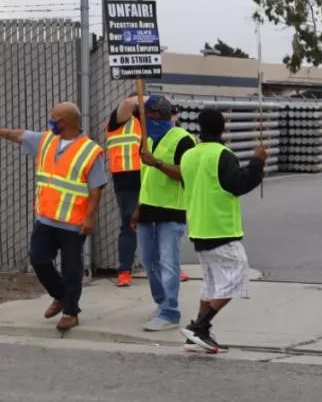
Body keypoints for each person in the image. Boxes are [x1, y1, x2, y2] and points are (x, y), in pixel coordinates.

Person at [0, 102, 107, 331]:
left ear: (65, 122)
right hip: (46, 219)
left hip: (72, 223)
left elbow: (96, 189)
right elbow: (18, 135)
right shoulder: (47, 140)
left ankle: (70, 312)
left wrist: (90, 218)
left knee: (71, 269)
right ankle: (60, 296)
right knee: (39, 260)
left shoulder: (90, 151)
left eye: (54, 118)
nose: (50, 121)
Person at [179, 109, 265, 354]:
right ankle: (200, 327)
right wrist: (257, 162)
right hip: (220, 227)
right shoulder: (223, 154)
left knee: (211, 282)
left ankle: (196, 336)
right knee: (237, 275)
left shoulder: (188, 156)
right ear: (223, 127)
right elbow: (238, 184)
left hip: (198, 226)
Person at [132, 96, 196, 332]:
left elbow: (185, 174)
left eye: (145, 117)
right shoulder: (146, 140)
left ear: (157, 116)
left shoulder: (183, 140)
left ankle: (170, 311)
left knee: (169, 262)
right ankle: (162, 303)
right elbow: (145, 178)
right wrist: (138, 208)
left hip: (171, 210)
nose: (144, 121)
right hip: (148, 208)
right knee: (149, 262)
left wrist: (157, 162)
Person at [104, 94, 143, 287]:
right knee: (129, 224)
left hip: (151, 179)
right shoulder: (117, 122)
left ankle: (168, 267)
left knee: (161, 225)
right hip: (127, 180)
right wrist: (147, 98)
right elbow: (127, 103)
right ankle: (125, 270)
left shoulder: (146, 121)